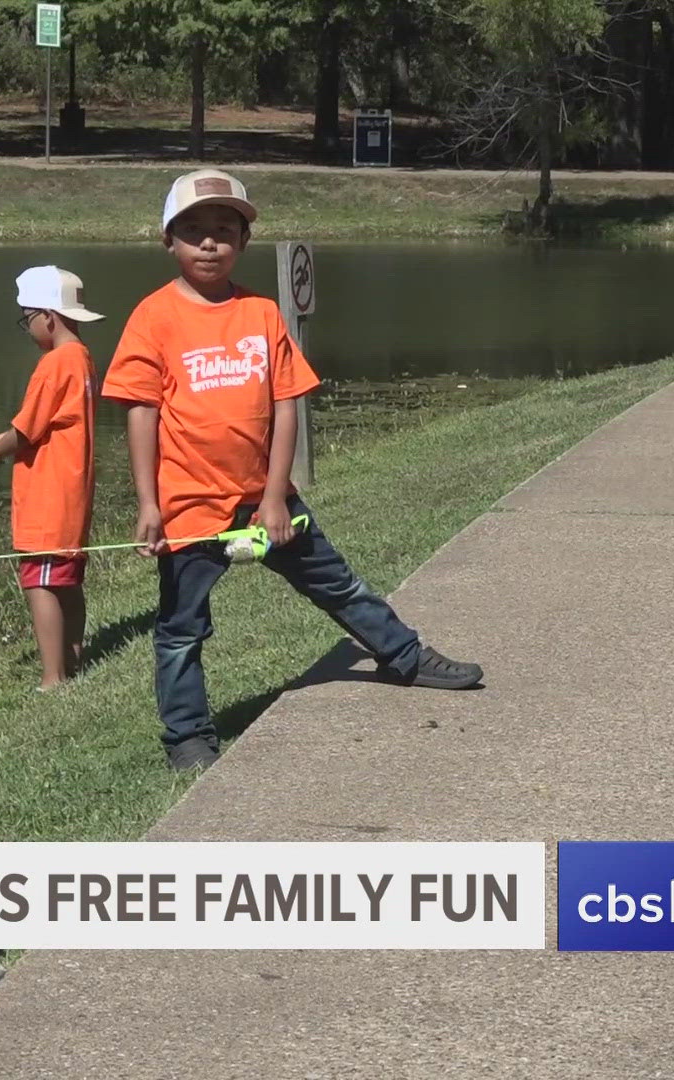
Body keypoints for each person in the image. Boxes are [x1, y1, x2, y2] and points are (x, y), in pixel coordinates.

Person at [99, 170, 486, 773]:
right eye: (194, 231)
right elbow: (141, 416)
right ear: (168, 241)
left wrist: (275, 496)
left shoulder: (261, 313)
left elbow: (285, 406)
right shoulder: (153, 319)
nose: (210, 243)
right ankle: (187, 737)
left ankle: (406, 657)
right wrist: (149, 504)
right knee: (181, 630)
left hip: (268, 499)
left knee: (340, 585)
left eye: (225, 230)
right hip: (189, 507)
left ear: (244, 242)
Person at [0, 265, 103, 688]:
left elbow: (24, 432)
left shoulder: (54, 363)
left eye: (27, 319)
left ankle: (51, 677)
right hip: (71, 493)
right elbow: (41, 424)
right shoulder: (82, 358)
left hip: (48, 496)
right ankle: (73, 661)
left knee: (39, 582)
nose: (27, 328)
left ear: (48, 316)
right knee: (67, 579)